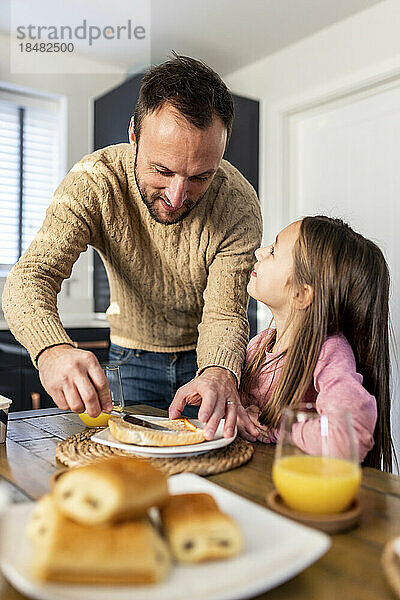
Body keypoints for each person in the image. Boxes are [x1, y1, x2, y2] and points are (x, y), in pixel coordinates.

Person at [2, 55, 262, 442]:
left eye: (200, 177)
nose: (177, 196)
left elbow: (225, 314)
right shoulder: (95, 182)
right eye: (163, 170)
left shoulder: (237, 204)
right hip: (130, 359)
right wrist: (52, 350)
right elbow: (31, 275)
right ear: (134, 136)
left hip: (206, 366)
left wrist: (218, 371)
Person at [237, 215, 395, 472]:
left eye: (274, 251)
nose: (260, 251)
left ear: (301, 294)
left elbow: (347, 437)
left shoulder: (328, 352)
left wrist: (278, 430)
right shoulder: (259, 346)